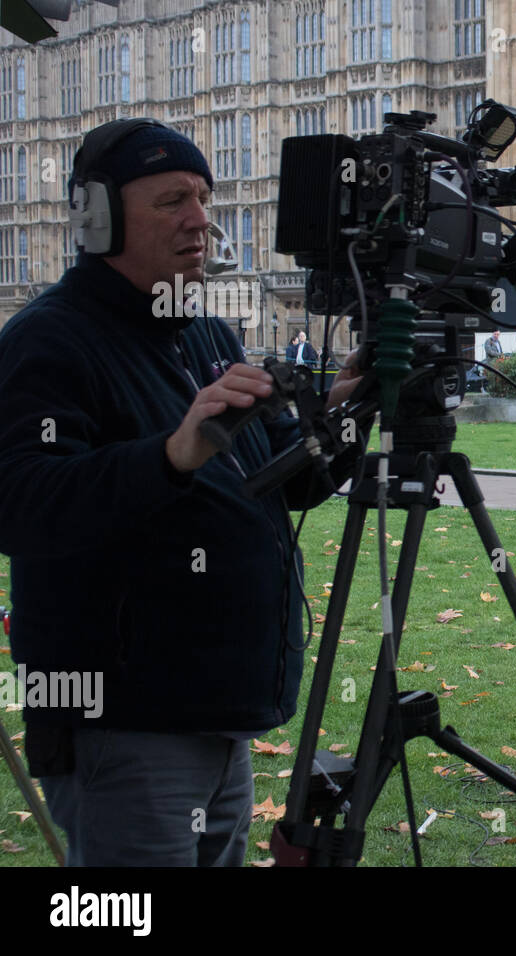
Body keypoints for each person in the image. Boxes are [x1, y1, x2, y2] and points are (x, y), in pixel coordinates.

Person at [0, 118, 364, 865]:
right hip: (122, 721)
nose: (201, 220)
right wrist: (171, 453)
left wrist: (343, 417)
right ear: (95, 218)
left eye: (204, 196)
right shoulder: (48, 339)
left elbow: (270, 488)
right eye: (172, 200)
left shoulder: (204, 335)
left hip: (213, 711)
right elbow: (22, 505)